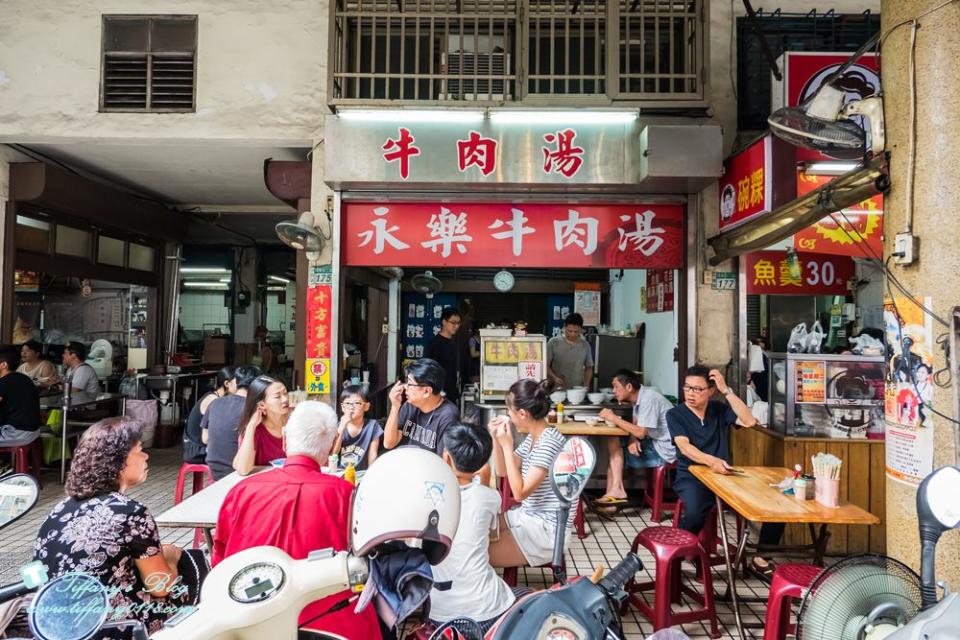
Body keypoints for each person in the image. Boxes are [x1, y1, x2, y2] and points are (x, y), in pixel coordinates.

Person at [212, 401, 381, 639]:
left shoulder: (242, 491)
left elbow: (219, 559)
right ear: (333, 444)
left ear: (284, 441)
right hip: (330, 621)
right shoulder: (346, 494)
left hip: (247, 619)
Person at [34, 418, 208, 635]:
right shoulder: (131, 512)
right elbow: (161, 586)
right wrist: (172, 556)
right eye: (140, 450)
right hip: (109, 626)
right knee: (194, 563)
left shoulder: (59, 509)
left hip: (56, 625)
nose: (146, 456)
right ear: (118, 460)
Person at [430, 424, 515, 633]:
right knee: (516, 595)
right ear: (482, 464)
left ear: (446, 457)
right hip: (488, 611)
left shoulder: (427, 498)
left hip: (439, 614)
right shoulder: (490, 498)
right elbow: (482, 499)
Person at [667, 365, 758, 535]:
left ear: (710, 390)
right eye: (687, 387)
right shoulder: (675, 414)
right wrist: (712, 461)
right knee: (695, 513)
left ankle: (761, 554)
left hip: (723, 476)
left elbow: (749, 421)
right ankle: (680, 546)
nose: (690, 393)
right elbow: (685, 447)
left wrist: (726, 390)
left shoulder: (719, 409)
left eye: (697, 389)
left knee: (763, 501)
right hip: (691, 476)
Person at [488, 379, 569, 568]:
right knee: (483, 524)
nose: (508, 415)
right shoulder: (535, 437)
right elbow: (502, 470)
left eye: (510, 410)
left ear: (522, 414)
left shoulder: (548, 443)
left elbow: (520, 493)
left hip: (547, 531)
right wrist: (495, 438)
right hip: (528, 516)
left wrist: (507, 445)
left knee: (474, 553)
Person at [593, 369, 676, 506]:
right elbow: (636, 423)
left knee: (616, 451)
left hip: (665, 449)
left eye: (616, 387)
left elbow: (641, 432)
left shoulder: (649, 399)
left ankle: (616, 493)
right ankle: (613, 495)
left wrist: (613, 417)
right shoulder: (638, 398)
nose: (613, 391)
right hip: (655, 441)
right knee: (614, 442)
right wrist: (632, 439)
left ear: (629, 387)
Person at [384, 358, 460, 455]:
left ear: (426, 391)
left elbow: (445, 461)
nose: (405, 387)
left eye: (410, 383)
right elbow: (389, 443)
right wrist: (395, 407)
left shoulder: (448, 416)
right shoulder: (409, 405)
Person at [202, 365, 260, 480]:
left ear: (236, 382)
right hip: (239, 470)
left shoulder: (215, 403)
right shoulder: (253, 408)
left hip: (215, 469)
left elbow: (205, 438)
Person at [233, 375, 290, 475]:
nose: (285, 399)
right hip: (265, 485)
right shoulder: (255, 429)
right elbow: (242, 470)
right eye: (278, 396)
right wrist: (251, 426)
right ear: (262, 405)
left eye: (285, 393)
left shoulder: (295, 421)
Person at [182, 366, 234, 464]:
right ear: (227, 383)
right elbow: (207, 439)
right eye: (238, 383)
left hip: (200, 447)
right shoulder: (213, 400)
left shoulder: (217, 397)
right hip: (196, 450)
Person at [332, 384, 382, 470]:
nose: (351, 407)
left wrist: (369, 476)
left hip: (362, 475)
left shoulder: (373, 426)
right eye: (347, 403)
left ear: (366, 406)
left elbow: (373, 455)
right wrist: (342, 427)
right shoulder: (337, 426)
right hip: (340, 474)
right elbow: (333, 454)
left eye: (356, 403)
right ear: (342, 407)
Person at [426, 306, 467, 403]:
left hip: (451, 392)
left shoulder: (453, 342)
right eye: (453, 323)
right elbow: (429, 371)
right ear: (444, 322)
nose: (456, 326)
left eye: (458, 323)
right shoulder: (435, 344)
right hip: (438, 394)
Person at [546, 313, 594, 389]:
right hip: (557, 388)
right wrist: (554, 377)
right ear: (564, 327)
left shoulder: (585, 345)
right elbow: (546, 365)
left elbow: (589, 367)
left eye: (576, 332)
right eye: (570, 331)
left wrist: (587, 383)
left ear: (581, 329)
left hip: (577, 388)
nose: (573, 334)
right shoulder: (553, 342)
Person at [0, 348, 41, 432]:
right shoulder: (24, 378)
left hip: (15, 432)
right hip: (32, 431)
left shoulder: (4, 382)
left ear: (4, 365)